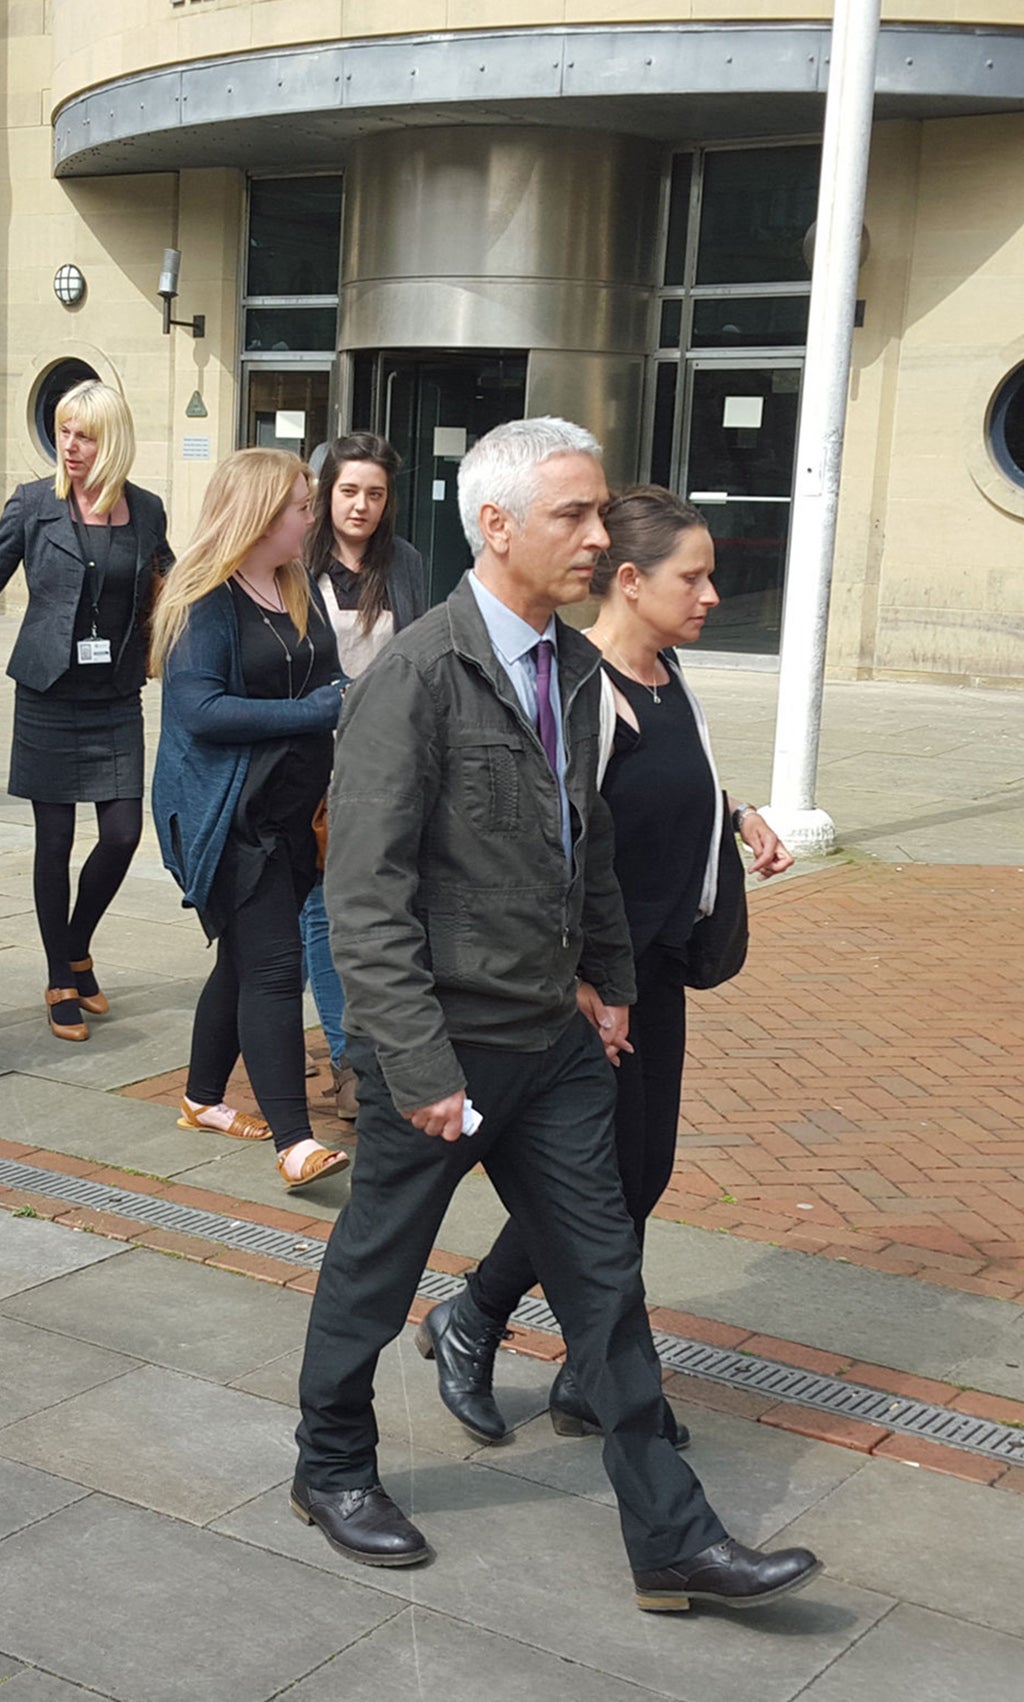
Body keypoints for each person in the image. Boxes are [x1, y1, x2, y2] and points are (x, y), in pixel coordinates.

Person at [291, 418, 820, 1612]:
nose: (595, 537)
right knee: (376, 1272)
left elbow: (581, 852)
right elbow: (361, 894)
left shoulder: (576, 675)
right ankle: (328, 1465)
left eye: (595, 516)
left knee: (604, 1284)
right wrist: (417, 1063)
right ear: (495, 526)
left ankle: (672, 1542)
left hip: (555, 1041)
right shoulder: (413, 680)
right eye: (571, 516)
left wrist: (612, 980)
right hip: (440, 1053)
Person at [424, 484, 792, 1447]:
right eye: (694, 576)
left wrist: (736, 810)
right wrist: (582, 982)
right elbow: (548, 842)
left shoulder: (669, 678)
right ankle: (499, 1329)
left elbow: (677, 787)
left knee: (644, 1174)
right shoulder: (582, 690)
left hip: (655, 968)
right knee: (596, 1184)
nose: (712, 594)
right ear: (629, 581)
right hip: (587, 987)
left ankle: (549, 1354)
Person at [0, 380, 174, 1039]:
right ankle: (60, 973)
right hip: (47, 696)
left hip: (114, 697)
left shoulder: (146, 512)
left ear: (111, 439)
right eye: (63, 431)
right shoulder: (33, 505)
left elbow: (175, 595)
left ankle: (78, 945)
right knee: (54, 841)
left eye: (84, 434)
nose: (70, 445)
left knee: (121, 835)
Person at [150, 448, 349, 1190]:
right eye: (301, 505)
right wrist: (315, 711)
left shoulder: (297, 586)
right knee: (273, 966)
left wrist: (345, 692)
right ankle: (296, 1145)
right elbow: (198, 711)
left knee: (238, 962)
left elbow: (322, 672)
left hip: (296, 815)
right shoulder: (205, 598)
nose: (311, 517)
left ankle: (203, 1099)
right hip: (231, 821)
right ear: (261, 515)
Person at [300, 433, 428, 1127]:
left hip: (384, 762)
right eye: (349, 491)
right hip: (309, 762)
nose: (362, 506)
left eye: (375, 494)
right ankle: (350, 1060)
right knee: (319, 909)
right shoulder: (297, 563)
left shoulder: (402, 563)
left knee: (378, 910)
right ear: (326, 495)